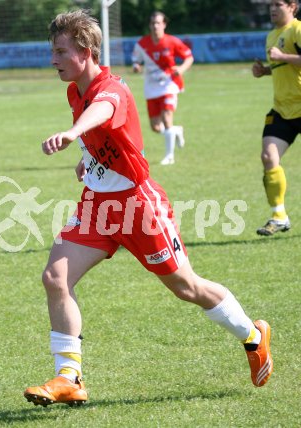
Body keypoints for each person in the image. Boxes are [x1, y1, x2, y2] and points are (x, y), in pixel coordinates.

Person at [24, 9, 273, 408]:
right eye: (52, 51)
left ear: (86, 51)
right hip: (97, 205)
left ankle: (252, 334)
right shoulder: (74, 91)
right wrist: (88, 158)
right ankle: (69, 377)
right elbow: (105, 134)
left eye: (59, 51)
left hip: (139, 206)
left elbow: (104, 111)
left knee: (185, 286)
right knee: (55, 277)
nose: (52, 59)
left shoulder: (112, 89)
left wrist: (73, 133)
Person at [252, 0, 301, 236]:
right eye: (270, 4)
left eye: (278, 4)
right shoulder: (271, 35)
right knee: (268, 156)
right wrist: (265, 71)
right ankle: (279, 215)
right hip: (282, 109)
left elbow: (288, 60)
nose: (272, 9)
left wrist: (283, 55)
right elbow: (283, 66)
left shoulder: (298, 30)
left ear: (293, 6)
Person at [131, 11, 194, 165]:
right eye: (153, 23)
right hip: (151, 88)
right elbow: (136, 60)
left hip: (169, 85)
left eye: (158, 23)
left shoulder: (172, 41)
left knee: (167, 119)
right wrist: (136, 66)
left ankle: (169, 156)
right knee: (156, 127)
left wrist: (181, 69)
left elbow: (189, 57)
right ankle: (176, 130)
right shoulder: (142, 44)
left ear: (164, 24)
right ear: (149, 25)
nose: (155, 26)